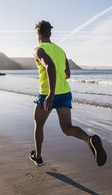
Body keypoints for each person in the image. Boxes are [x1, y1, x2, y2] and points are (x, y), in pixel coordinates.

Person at [29, 20, 107, 167]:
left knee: (38, 124)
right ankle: (88, 140)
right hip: (64, 92)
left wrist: (51, 93)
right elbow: (68, 74)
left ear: (38, 33)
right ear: (50, 33)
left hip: (47, 93)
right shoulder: (60, 50)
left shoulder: (38, 50)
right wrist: (58, 85)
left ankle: (38, 157)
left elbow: (49, 66)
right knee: (67, 128)